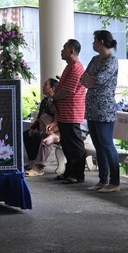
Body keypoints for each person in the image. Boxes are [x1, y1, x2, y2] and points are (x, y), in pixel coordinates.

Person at [80, 30, 120, 193]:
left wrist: (91, 81)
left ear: (101, 41)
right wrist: (90, 81)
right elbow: (83, 79)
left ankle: (115, 182)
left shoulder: (112, 60)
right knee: (98, 144)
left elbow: (98, 79)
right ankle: (103, 180)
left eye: (94, 40)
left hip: (104, 108)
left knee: (107, 144)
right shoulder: (94, 59)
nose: (92, 43)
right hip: (91, 107)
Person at [45, 39, 87, 184]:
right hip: (64, 113)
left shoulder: (76, 68)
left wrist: (53, 98)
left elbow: (67, 91)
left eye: (64, 48)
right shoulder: (69, 66)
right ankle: (69, 172)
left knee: (75, 145)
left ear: (71, 51)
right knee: (67, 145)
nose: (61, 51)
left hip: (72, 112)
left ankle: (78, 174)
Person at [23, 78, 60, 176]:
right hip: (45, 128)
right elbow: (39, 118)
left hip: (55, 130)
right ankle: (33, 161)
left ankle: (38, 167)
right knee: (27, 134)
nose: (43, 86)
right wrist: (33, 128)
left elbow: (59, 119)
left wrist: (51, 130)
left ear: (52, 88)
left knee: (44, 138)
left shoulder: (57, 102)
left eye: (46, 84)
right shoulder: (44, 101)